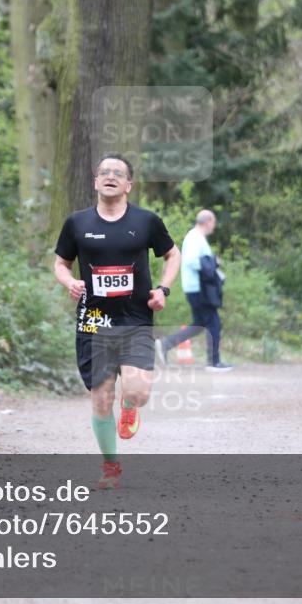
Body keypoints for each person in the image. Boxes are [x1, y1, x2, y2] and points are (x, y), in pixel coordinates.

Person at [53, 154, 180, 489]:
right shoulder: (77, 223)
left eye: (118, 173)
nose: (110, 176)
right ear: (95, 181)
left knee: (138, 392)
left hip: (136, 318)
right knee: (101, 397)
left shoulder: (146, 221)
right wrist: (70, 282)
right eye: (104, 172)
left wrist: (163, 289)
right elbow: (60, 264)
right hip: (93, 322)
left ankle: (130, 405)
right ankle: (111, 468)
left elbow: (172, 254)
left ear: (128, 185)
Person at [156, 209, 232, 372]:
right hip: (199, 289)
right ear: (208, 221)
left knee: (200, 324)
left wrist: (211, 265)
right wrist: (212, 265)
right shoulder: (194, 237)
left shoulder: (196, 238)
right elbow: (190, 261)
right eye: (213, 223)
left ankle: (165, 344)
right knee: (213, 323)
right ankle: (213, 362)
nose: (214, 227)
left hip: (197, 288)